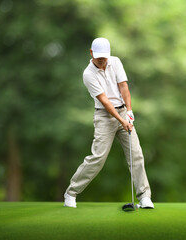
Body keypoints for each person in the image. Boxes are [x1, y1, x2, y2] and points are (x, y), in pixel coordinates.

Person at [63, 37, 154, 209]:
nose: (102, 61)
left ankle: (144, 197)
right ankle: (71, 193)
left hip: (122, 111)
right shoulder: (88, 74)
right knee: (98, 157)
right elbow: (105, 102)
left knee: (136, 154)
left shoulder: (115, 62)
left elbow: (124, 87)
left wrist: (129, 112)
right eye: (99, 57)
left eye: (104, 57)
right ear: (91, 53)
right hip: (104, 116)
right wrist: (122, 121)